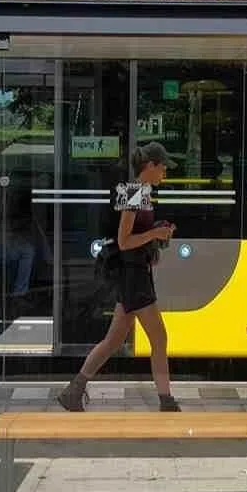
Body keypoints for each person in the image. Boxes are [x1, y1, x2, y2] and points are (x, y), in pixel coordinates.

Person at [57, 142, 180, 412]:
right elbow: (124, 241)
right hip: (134, 278)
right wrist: (154, 235)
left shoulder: (141, 193)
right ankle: (166, 401)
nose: (165, 173)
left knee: (113, 340)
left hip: (136, 274)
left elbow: (135, 235)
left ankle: (73, 391)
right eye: (163, 167)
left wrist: (155, 238)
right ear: (150, 166)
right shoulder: (135, 193)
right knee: (159, 339)